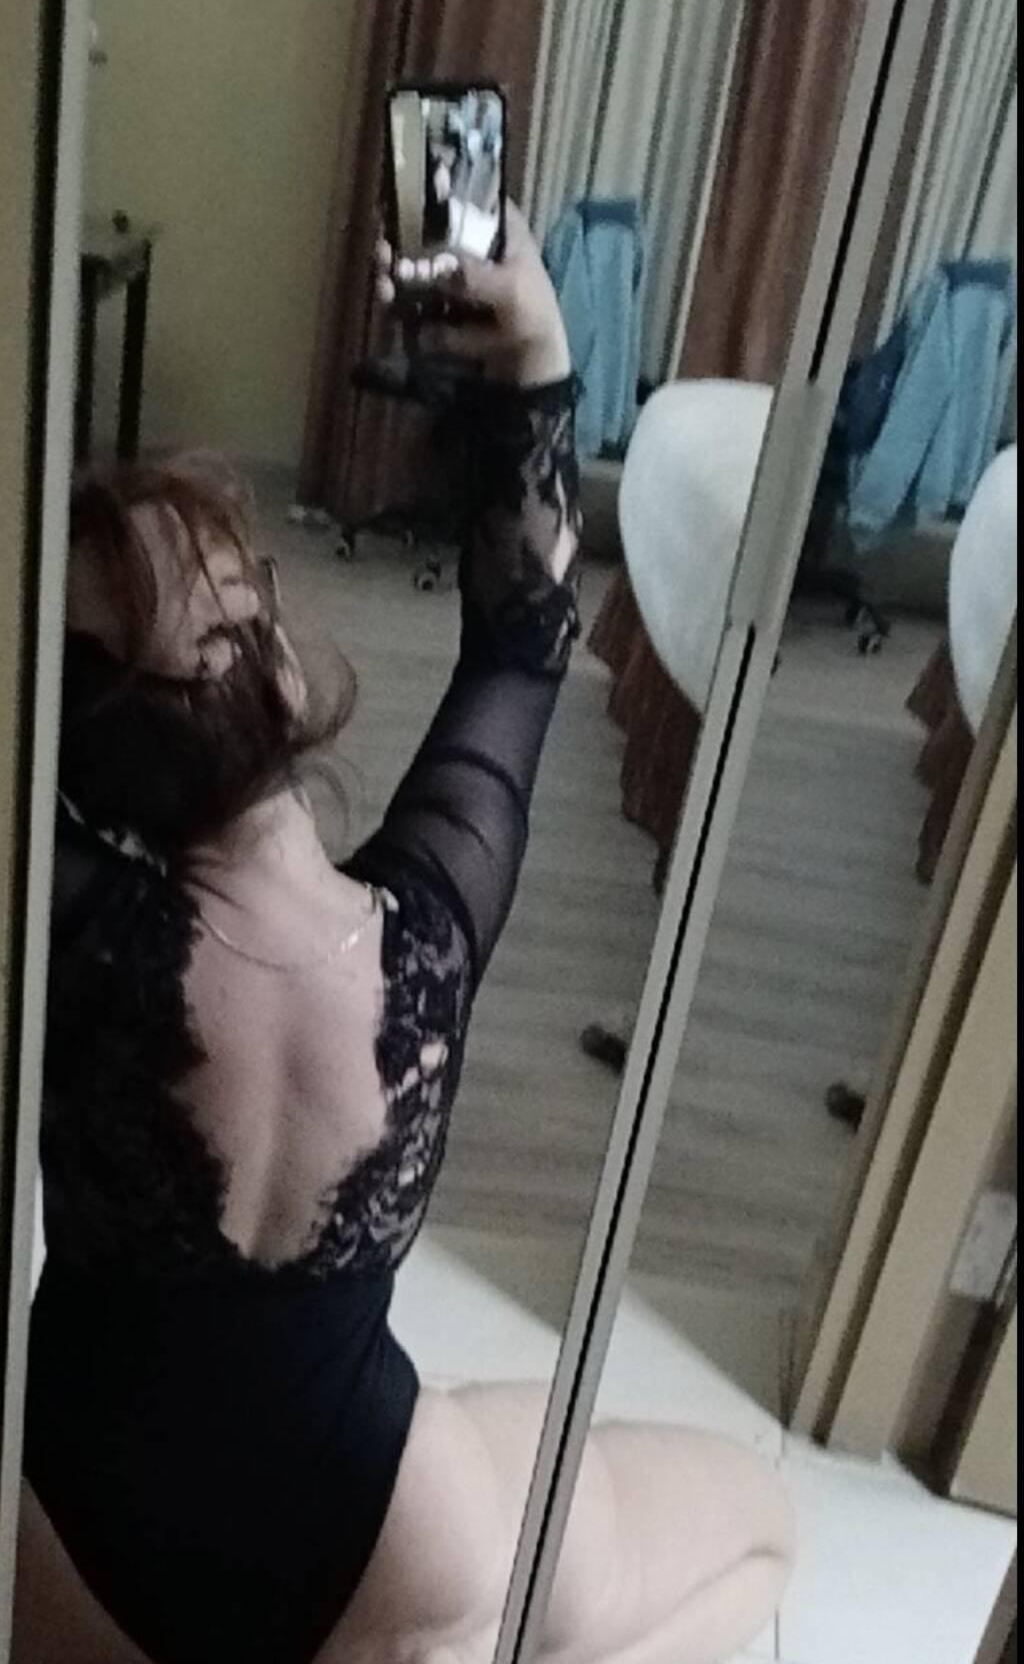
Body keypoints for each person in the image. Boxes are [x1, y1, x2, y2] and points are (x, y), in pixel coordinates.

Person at [18, 207, 793, 1664]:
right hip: (369, 1552)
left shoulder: (66, 936)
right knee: (760, 1522)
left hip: (67, 1538)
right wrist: (537, 352)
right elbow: (523, 643)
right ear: (278, 658)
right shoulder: (425, 942)